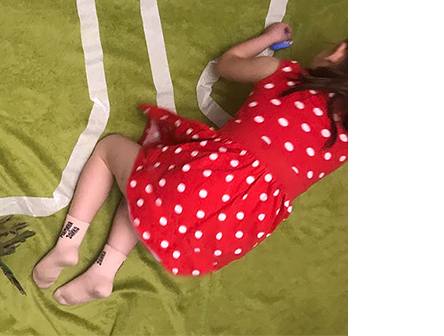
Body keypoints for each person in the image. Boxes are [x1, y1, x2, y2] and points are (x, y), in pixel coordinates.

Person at [32, 23, 348, 306]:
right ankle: (103, 273)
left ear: (339, 52)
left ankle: (68, 242)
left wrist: (268, 37)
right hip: (224, 236)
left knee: (111, 151)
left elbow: (228, 64)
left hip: (195, 188)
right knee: (149, 193)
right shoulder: (348, 142)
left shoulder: (283, 73)